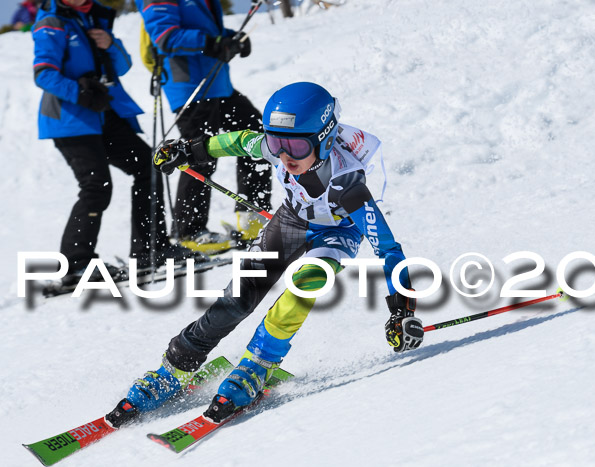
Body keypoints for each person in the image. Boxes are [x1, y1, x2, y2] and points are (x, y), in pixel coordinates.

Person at [108, 82, 425, 424]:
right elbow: (241, 140)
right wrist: (190, 151)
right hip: (291, 218)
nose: (285, 156)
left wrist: (401, 310)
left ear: (326, 138)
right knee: (238, 297)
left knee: (304, 288)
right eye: (276, 143)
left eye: (297, 146)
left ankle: (257, 365)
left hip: (336, 233)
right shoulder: (280, 149)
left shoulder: (348, 185)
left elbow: (388, 249)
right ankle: (175, 366)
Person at [32, 0, 201, 286]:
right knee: (96, 186)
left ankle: (151, 248)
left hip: (104, 114)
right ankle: (75, 264)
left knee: (151, 168)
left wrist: (110, 43)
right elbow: (43, 73)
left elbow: (122, 66)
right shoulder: (52, 22)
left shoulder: (94, 17)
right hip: (70, 119)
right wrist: (80, 92)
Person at [136, 0, 273, 253]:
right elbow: (165, 36)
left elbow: (206, 29)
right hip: (189, 88)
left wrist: (232, 39)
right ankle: (189, 232)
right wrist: (212, 44)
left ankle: (253, 219)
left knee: (257, 138)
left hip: (218, 84)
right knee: (198, 154)